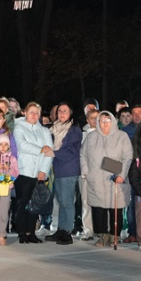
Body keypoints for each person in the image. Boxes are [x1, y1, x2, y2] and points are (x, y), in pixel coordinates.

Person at [80, 110, 133, 247]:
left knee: (116, 207)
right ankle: (102, 235)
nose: (104, 124)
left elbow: (128, 157)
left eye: (107, 121)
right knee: (99, 208)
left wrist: (122, 174)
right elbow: (83, 155)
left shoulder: (122, 136)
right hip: (96, 179)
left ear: (113, 122)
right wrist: (86, 171)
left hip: (115, 179)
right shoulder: (91, 137)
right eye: (102, 120)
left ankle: (114, 235)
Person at [12, 102, 54, 244]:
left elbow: (50, 153)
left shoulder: (45, 131)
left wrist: (43, 171)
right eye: (31, 112)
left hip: (38, 173)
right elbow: (21, 145)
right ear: (25, 113)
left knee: (35, 204)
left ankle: (31, 232)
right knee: (22, 203)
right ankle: (22, 232)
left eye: (37, 112)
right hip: (23, 171)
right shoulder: (19, 127)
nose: (34, 115)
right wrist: (40, 149)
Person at [48, 103, 83, 245]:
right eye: (59, 111)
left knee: (67, 201)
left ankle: (67, 232)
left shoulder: (74, 130)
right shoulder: (54, 128)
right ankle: (61, 229)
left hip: (69, 169)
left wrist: (53, 153)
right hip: (58, 168)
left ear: (71, 113)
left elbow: (70, 151)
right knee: (62, 201)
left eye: (65, 111)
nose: (62, 114)